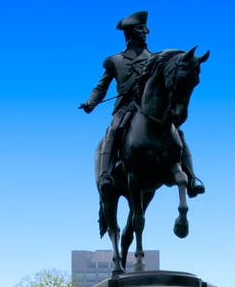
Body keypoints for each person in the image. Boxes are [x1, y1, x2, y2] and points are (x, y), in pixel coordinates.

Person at [80, 11, 205, 198]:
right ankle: (106, 175)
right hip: (125, 108)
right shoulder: (115, 61)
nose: (146, 31)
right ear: (130, 33)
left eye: (145, 28)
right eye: (141, 29)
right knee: (114, 129)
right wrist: (91, 102)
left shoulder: (154, 59)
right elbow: (101, 87)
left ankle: (192, 178)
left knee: (177, 132)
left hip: (150, 108)